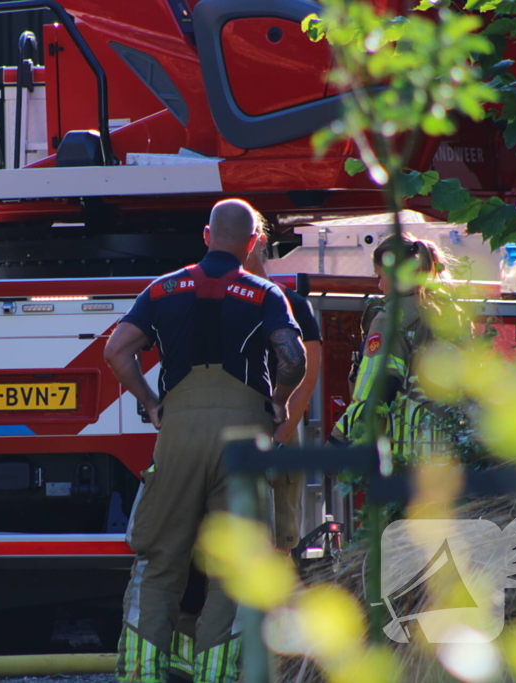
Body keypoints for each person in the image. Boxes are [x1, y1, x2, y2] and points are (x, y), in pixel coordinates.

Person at [104, 198, 306, 683]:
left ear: (206, 235)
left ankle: (140, 673)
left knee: (158, 561)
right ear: (253, 241)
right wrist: (278, 402)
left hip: (177, 435)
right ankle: (217, 674)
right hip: (243, 440)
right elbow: (293, 359)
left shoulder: (162, 288)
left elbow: (117, 350)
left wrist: (152, 402)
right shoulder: (264, 293)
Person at [329, 233, 455, 458]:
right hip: (450, 446)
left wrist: (339, 440)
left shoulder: (390, 318)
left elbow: (378, 387)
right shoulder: (448, 312)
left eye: (381, 276)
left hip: (406, 447)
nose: (379, 285)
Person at [244, 215, 322, 551]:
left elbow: (308, 373)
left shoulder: (293, 304)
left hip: (275, 431)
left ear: (259, 242)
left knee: (278, 544)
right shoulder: (221, 299)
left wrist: (282, 436)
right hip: (230, 432)